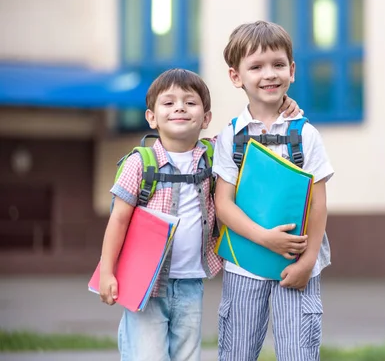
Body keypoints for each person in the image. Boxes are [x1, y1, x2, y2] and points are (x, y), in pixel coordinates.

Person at [97, 68, 301, 361]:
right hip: (145, 285)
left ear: (206, 118)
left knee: (187, 355)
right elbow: (117, 220)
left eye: (190, 102)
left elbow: (249, 131)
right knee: (146, 355)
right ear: (151, 117)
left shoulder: (213, 154)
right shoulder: (139, 163)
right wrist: (108, 272)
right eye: (168, 103)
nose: (179, 107)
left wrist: (283, 104)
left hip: (191, 283)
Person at [213, 20, 335, 361]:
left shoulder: (305, 134)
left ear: (292, 70)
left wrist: (308, 261)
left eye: (278, 64)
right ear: (236, 76)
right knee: (236, 351)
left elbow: (318, 203)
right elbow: (223, 203)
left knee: (299, 351)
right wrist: (265, 238)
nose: (269, 74)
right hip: (243, 264)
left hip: (296, 266)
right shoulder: (231, 137)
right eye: (256, 66)